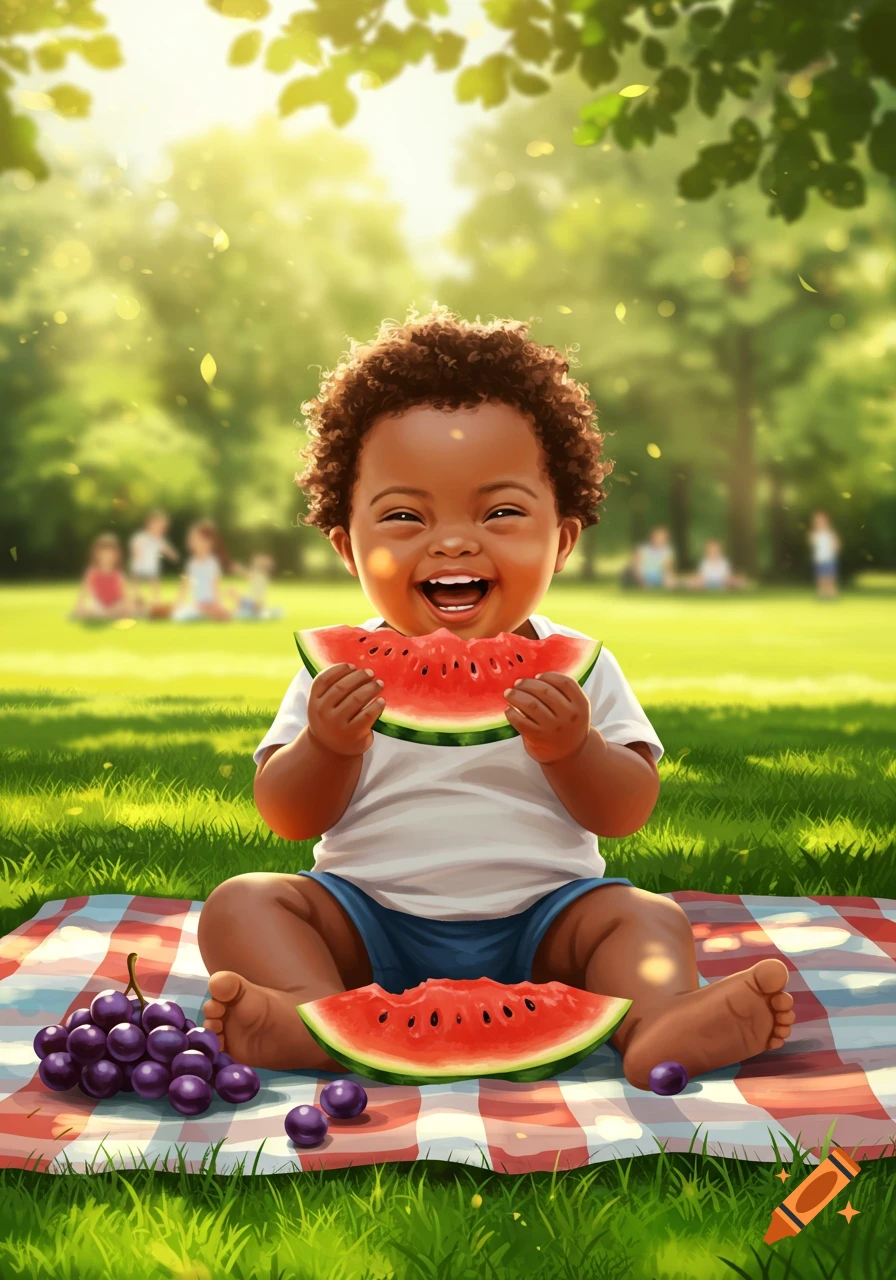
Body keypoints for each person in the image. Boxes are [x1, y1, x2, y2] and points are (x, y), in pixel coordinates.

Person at [196, 308, 793, 1090]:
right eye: (406, 516)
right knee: (242, 904)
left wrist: (574, 751)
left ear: (562, 539)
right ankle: (310, 1015)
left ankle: (660, 1023)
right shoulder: (331, 672)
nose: (452, 543)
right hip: (364, 916)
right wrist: (328, 746)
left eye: (500, 512)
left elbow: (625, 810)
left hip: (548, 919)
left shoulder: (578, 667)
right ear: (346, 545)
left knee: (647, 919)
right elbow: (287, 816)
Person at [171, 519, 232, 621]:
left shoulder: (212, 563)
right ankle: (206, 614)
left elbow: (215, 585)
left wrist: (217, 603)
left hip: (211, 603)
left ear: (208, 542)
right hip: (198, 604)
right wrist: (179, 603)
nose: (192, 542)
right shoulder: (191, 563)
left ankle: (210, 614)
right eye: (191, 539)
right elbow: (184, 584)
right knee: (180, 615)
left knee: (224, 614)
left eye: (196, 539)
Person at [71, 533, 135, 621]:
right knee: (86, 609)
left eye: (110, 555)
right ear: (96, 555)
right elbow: (84, 592)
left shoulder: (118, 575)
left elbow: (124, 596)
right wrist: (79, 606)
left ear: (116, 556)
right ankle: (105, 614)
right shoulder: (92, 572)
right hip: (99, 605)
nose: (106, 558)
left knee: (122, 607)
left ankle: (105, 614)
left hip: (116, 605)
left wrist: (128, 607)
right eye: (103, 555)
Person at [128, 510, 179, 609]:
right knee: (136, 581)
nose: (159, 530)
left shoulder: (159, 539)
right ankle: (135, 599)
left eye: (161, 528)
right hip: (139, 564)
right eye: (157, 527)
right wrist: (136, 553)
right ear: (149, 525)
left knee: (155, 581)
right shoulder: (141, 536)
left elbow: (165, 548)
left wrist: (173, 555)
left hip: (151, 565)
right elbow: (134, 546)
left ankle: (156, 600)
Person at [231, 553, 283, 621]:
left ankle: (258, 613)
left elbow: (247, 574)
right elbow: (248, 574)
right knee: (237, 597)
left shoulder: (260, 575)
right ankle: (258, 612)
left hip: (255, 604)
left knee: (236, 596)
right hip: (254, 603)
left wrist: (238, 569)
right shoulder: (260, 575)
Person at [809, 511, 840, 599]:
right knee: (820, 579)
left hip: (829, 559)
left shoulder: (830, 533)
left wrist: (833, 549)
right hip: (819, 559)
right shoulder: (815, 534)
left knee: (830, 578)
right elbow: (812, 544)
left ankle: (832, 596)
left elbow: (836, 545)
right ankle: (822, 596)